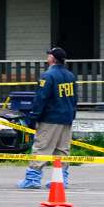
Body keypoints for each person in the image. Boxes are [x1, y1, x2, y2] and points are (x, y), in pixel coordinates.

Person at [18, 47, 78, 189]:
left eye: (49, 55)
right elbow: (74, 98)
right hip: (66, 117)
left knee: (41, 148)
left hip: (50, 118)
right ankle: (61, 179)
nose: (47, 57)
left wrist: (33, 117)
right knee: (62, 150)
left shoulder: (47, 76)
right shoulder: (70, 75)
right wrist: (72, 114)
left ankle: (32, 179)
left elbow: (41, 99)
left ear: (52, 58)